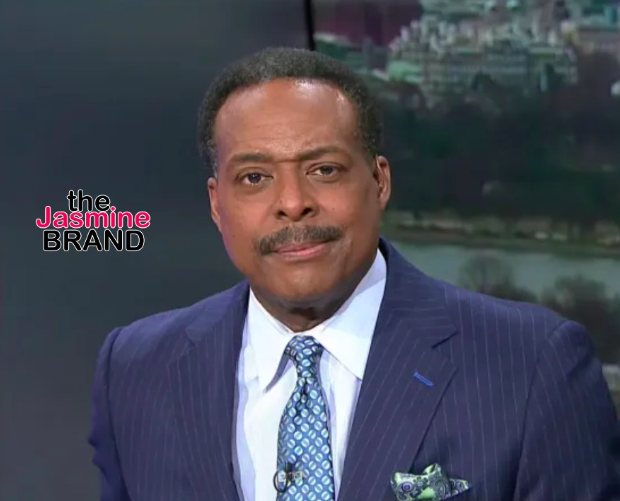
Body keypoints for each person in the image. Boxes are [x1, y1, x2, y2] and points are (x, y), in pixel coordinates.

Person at [88, 47, 620, 501]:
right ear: (216, 204)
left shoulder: (531, 367)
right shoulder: (135, 370)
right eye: (254, 178)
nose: (292, 203)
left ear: (379, 181)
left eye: (324, 170)